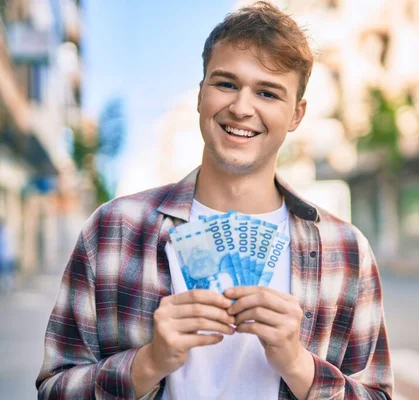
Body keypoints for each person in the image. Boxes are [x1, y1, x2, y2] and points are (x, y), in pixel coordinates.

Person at [36, 2, 393, 399]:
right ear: (201, 93)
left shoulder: (346, 251)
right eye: (226, 84)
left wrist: (298, 364)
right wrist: (148, 362)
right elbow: (54, 389)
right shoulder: (113, 230)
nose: (241, 108)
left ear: (296, 114)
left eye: (267, 92)